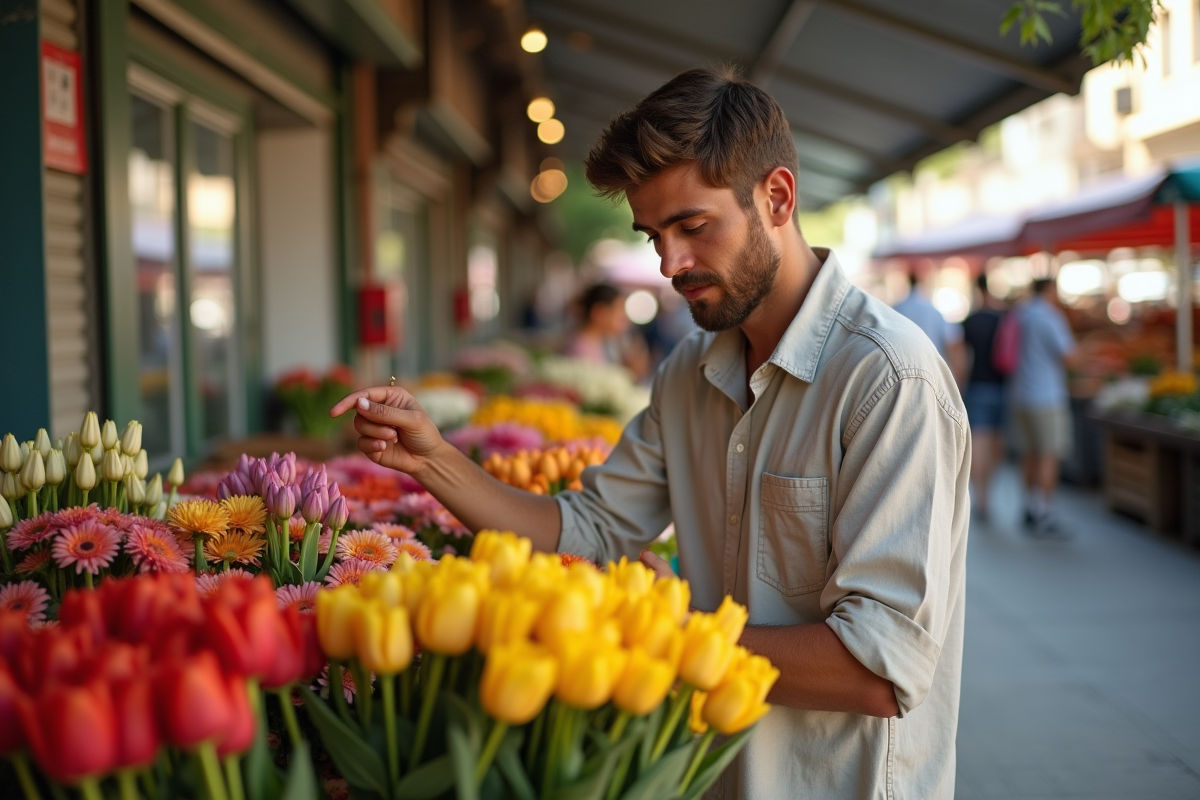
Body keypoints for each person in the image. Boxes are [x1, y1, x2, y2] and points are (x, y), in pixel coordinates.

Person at [331, 67, 970, 800]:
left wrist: (648, 631)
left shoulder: (888, 380)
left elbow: (878, 671)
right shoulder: (690, 370)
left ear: (779, 197)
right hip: (703, 774)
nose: (669, 265)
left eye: (693, 227)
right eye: (654, 235)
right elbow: (591, 528)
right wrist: (435, 461)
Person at [1012, 276, 1078, 537]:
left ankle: (1029, 507)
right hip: (1046, 395)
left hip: (1020, 393)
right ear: (1050, 290)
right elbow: (1069, 356)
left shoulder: (1021, 314)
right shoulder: (1050, 316)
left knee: (1029, 454)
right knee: (1048, 454)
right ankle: (1044, 513)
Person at [961, 273, 1008, 521]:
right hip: (1003, 387)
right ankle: (987, 494)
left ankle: (981, 499)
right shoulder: (1005, 318)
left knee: (978, 443)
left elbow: (962, 359)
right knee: (997, 445)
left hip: (976, 387)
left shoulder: (970, 321)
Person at [564, 283, 651, 379]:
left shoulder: (606, 343)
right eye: (619, 313)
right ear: (599, 312)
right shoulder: (579, 350)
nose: (624, 320)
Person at [893, 273, 968, 384]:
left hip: (902, 377)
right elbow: (953, 344)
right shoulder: (934, 310)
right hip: (934, 376)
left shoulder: (897, 308)